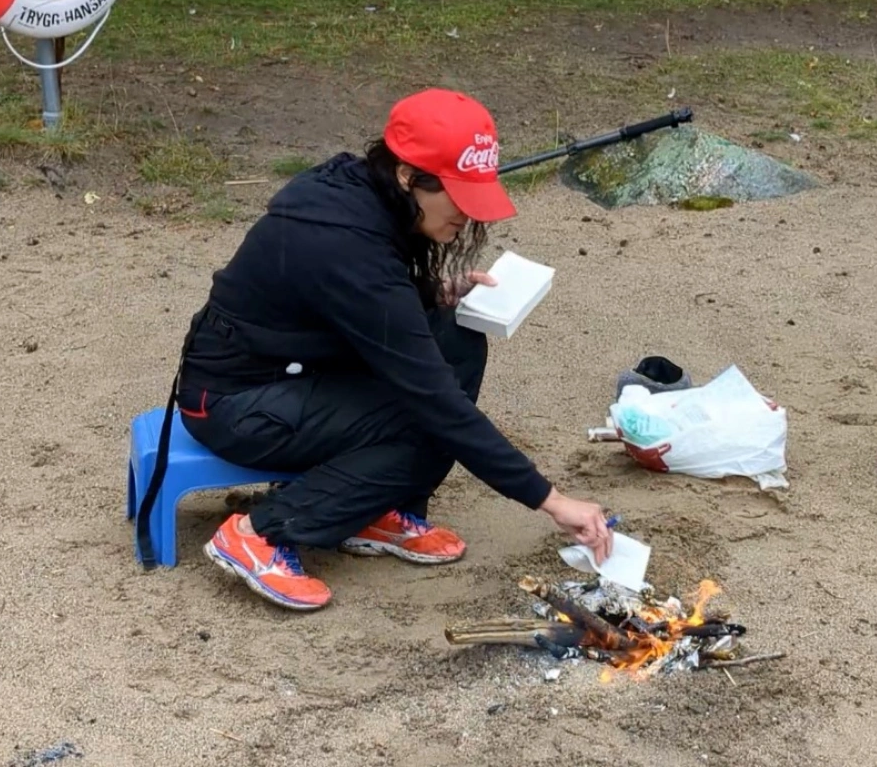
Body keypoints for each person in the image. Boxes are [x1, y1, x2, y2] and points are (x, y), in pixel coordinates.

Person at [173, 87, 613, 611]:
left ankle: (373, 507)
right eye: (458, 196)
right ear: (408, 176)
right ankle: (260, 533)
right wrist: (551, 500)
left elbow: (354, 303)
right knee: (429, 419)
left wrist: (432, 295)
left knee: (458, 337)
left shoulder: (364, 191)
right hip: (234, 404)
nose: (467, 217)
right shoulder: (345, 242)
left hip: (295, 370)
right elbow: (433, 396)